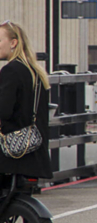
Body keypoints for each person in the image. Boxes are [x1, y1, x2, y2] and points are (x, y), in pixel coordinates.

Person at [0, 22, 52, 179]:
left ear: (13, 43)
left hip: (11, 151)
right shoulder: (35, 71)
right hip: (32, 147)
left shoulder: (11, 70)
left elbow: (3, 110)